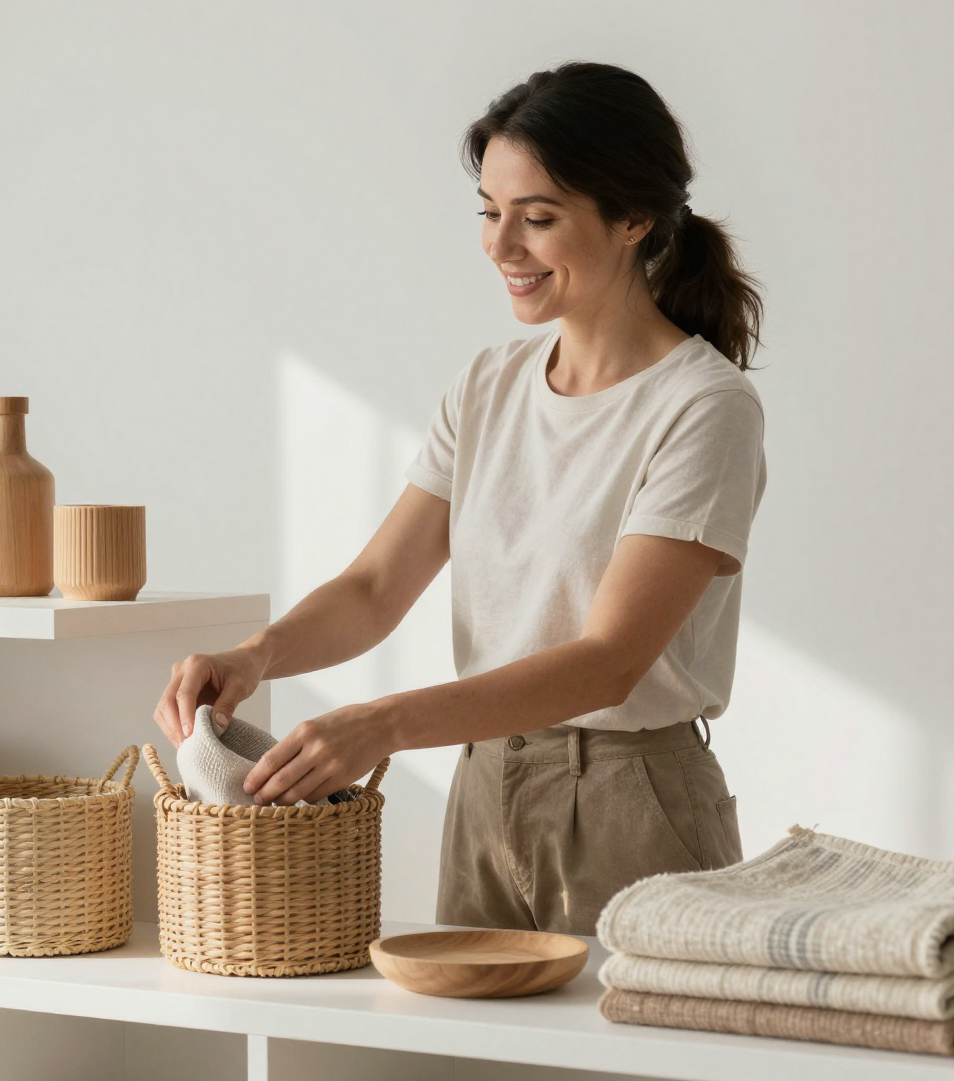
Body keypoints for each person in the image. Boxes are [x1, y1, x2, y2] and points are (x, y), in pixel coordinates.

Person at [153, 61, 767, 936]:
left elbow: (609, 661)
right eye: (489, 211)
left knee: (628, 1075)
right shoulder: (487, 386)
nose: (500, 246)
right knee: (478, 1076)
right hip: (485, 791)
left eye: (538, 218)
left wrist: (383, 725)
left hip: (635, 804)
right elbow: (373, 590)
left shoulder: (704, 409)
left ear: (633, 219)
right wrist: (256, 656)